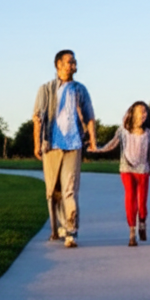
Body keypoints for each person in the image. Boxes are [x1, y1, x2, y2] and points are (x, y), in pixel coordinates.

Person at [33, 50, 97, 248]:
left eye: (74, 62)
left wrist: (93, 140)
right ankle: (59, 226)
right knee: (54, 191)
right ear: (58, 65)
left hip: (74, 145)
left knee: (69, 190)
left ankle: (71, 230)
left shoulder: (80, 90)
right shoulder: (46, 89)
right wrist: (36, 144)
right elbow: (37, 118)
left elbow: (90, 116)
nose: (73, 65)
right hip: (51, 145)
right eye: (70, 62)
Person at [92, 101, 150, 246]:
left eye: (145, 112)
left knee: (142, 203)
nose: (143, 114)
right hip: (126, 169)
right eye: (140, 111)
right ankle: (131, 232)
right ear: (132, 113)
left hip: (143, 170)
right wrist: (98, 149)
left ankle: (142, 221)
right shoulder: (123, 131)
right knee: (130, 198)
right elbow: (112, 144)